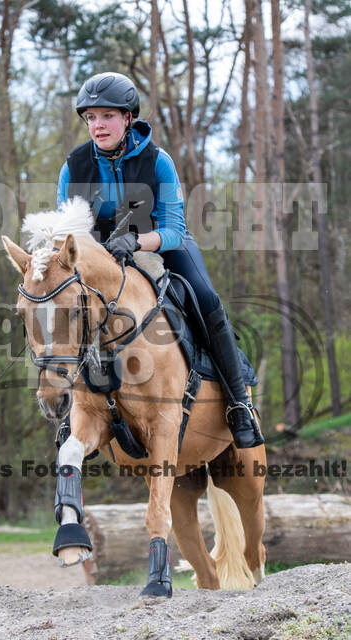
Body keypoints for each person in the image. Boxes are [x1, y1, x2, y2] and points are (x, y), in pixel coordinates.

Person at [57, 72, 264, 449]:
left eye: (107, 116)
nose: (98, 125)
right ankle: (72, 411)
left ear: (128, 118)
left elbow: (173, 228)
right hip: (102, 259)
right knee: (67, 308)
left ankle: (238, 404)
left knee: (205, 297)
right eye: (91, 117)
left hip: (162, 246)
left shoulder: (157, 161)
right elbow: (67, 236)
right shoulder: (73, 167)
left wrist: (137, 241)